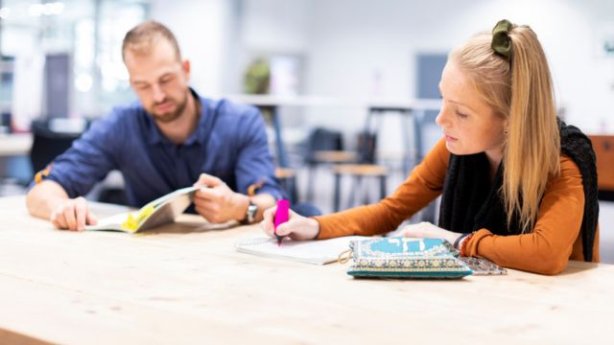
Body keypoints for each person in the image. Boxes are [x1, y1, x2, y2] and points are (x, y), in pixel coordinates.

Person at [261, 19, 600, 275]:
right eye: (442, 99)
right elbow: (390, 211)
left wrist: (456, 240)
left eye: (461, 112)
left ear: (511, 118)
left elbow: (547, 253)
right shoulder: (456, 149)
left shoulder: (562, 160)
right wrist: (315, 225)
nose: (441, 119)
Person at [26, 20, 284, 230]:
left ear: (185, 69)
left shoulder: (240, 122)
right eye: (143, 86)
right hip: (149, 263)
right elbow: (41, 192)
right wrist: (61, 207)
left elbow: (277, 204)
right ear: (132, 85)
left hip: (232, 264)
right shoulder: (120, 125)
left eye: (166, 79)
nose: (158, 95)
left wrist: (242, 208)